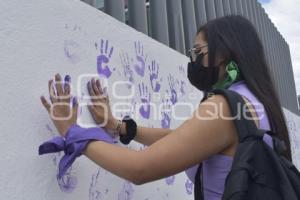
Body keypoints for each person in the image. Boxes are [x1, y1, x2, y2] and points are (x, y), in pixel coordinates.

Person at [40, 15, 292, 199]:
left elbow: (139, 169)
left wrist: (74, 133)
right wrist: (119, 127)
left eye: (197, 52)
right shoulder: (257, 103)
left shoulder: (225, 106)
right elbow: (187, 141)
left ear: (225, 52)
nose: (192, 60)